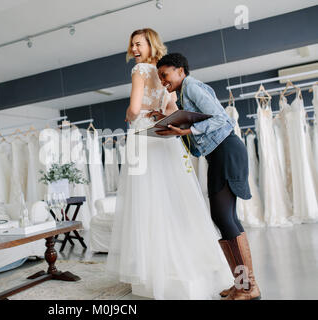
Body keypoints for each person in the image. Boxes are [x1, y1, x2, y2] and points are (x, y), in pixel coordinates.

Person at [106, 28, 233, 300]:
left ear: (150, 44)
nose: (135, 49)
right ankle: (186, 261)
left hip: (143, 134)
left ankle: (152, 269)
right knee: (174, 197)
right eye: (132, 45)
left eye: (138, 44)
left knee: (145, 200)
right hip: (165, 134)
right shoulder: (165, 74)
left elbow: (134, 106)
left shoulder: (140, 70)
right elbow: (171, 110)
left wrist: (130, 115)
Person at [153, 52, 261, 300]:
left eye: (165, 74)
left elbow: (221, 118)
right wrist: (168, 122)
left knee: (224, 217)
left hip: (226, 150)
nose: (163, 81)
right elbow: (196, 124)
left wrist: (187, 129)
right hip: (218, 153)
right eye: (160, 77)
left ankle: (250, 287)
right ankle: (242, 284)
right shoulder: (182, 94)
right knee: (224, 217)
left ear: (180, 70)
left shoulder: (192, 86)